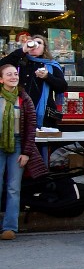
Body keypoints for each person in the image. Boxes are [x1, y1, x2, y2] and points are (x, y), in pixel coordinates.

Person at [0, 64, 48, 240]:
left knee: (14, 188)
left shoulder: (23, 98)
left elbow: (30, 127)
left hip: (18, 145)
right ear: (1, 79)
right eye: (9, 74)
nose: (13, 77)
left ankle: (10, 227)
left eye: (15, 74)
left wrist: (27, 152)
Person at [0, 35, 68, 128]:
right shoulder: (20, 62)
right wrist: (23, 50)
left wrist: (47, 76)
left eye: (39, 43)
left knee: (42, 141)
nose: (36, 45)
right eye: (32, 42)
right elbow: (2, 65)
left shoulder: (51, 65)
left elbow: (63, 87)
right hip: (21, 111)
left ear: (44, 48)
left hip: (45, 115)